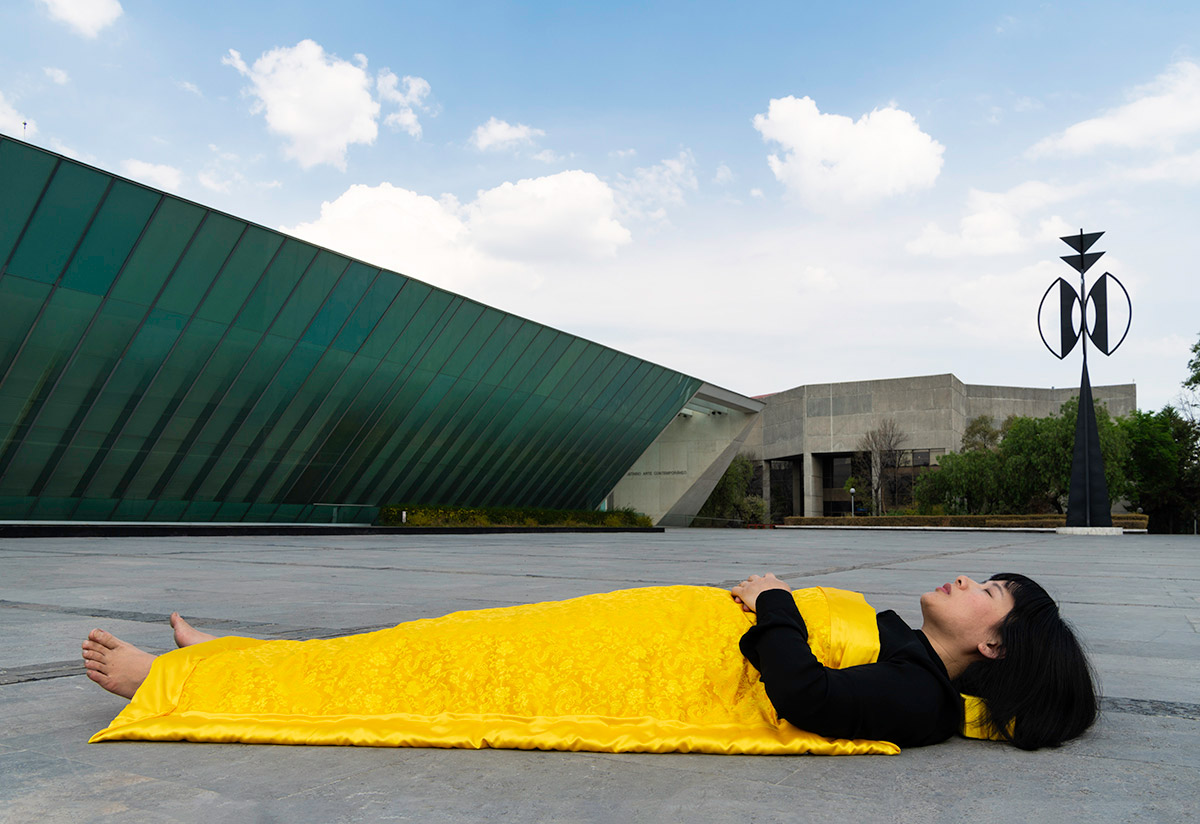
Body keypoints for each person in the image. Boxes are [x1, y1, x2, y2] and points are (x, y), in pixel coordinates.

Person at [82, 572, 1096, 751]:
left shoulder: (918, 696)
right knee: (439, 643)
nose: (968, 580)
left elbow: (807, 698)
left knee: (440, 671)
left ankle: (175, 680)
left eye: (991, 590)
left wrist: (775, 600)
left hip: (637, 667)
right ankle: (247, 658)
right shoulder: (913, 652)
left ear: (995, 643)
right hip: (636, 627)